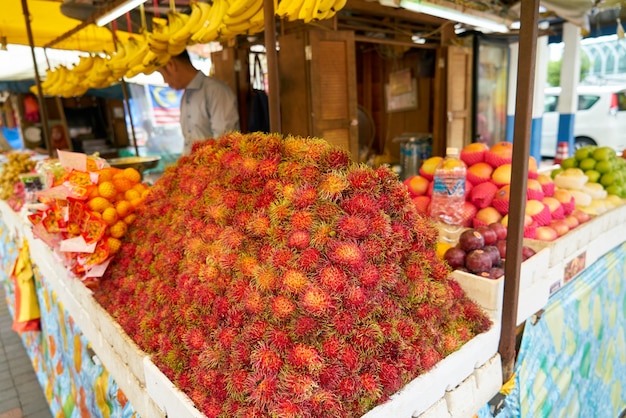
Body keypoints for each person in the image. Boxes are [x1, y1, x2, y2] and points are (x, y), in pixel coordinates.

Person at [157, 50, 240, 155]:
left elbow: (224, 142)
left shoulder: (216, 91)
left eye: (161, 73)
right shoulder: (185, 96)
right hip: (191, 168)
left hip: (211, 169)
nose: (165, 81)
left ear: (171, 65)